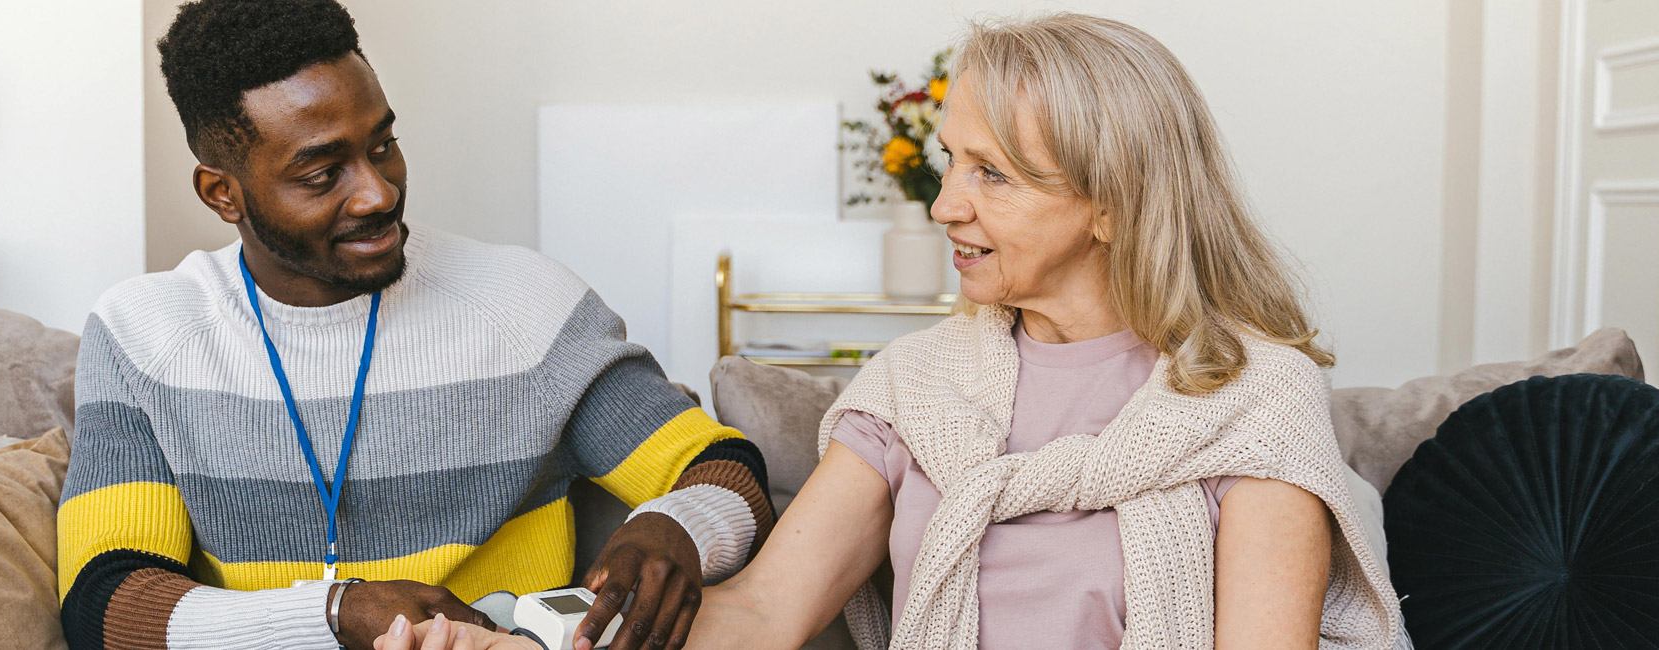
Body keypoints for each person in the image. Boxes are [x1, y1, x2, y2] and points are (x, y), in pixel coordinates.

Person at [382, 13, 1406, 650]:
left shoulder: (1250, 398)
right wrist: (540, 643)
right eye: (950, 163)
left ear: (1112, 203)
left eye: (992, 175)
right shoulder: (915, 385)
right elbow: (761, 615)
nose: (945, 206)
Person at [55, 1, 774, 649]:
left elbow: (723, 470)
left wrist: (676, 526)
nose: (378, 192)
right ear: (223, 194)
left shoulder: (525, 304)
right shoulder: (142, 335)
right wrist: (337, 613)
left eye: (381, 145)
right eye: (321, 173)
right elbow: (105, 602)